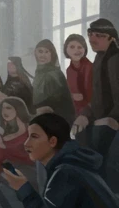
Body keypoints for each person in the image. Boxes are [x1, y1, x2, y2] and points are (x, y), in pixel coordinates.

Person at [72, 18, 119, 160]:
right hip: (101, 123)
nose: (92, 39)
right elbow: (98, 99)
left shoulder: (115, 60)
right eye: (90, 34)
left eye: (99, 35)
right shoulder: (99, 59)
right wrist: (85, 115)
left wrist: (112, 119)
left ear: (112, 38)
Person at [31, 39, 73, 120]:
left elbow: (56, 102)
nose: (43, 55)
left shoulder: (55, 74)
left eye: (47, 52)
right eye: (40, 51)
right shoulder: (38, 73)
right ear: (35, 53)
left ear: (52, 55)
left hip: (57, 119)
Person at [64, 33, 93, 119]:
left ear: (85, 50)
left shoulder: (91, 67)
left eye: (80, 47)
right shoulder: (69, 70)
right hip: (74, 110)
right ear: (66, 49)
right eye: (72, 47)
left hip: (90, 111)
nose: (76, 50)